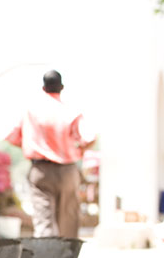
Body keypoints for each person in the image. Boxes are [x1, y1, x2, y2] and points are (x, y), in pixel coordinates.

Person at [6, 70, 96, 238]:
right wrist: (79, 150)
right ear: (61, 87)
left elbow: (11, 137)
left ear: (43, 88)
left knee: (44, 221)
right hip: (68, 171)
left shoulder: (30, 111)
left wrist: (31, 146)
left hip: (41, 171)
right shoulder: (71, 111)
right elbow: (89, 138)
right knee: (68, 220)